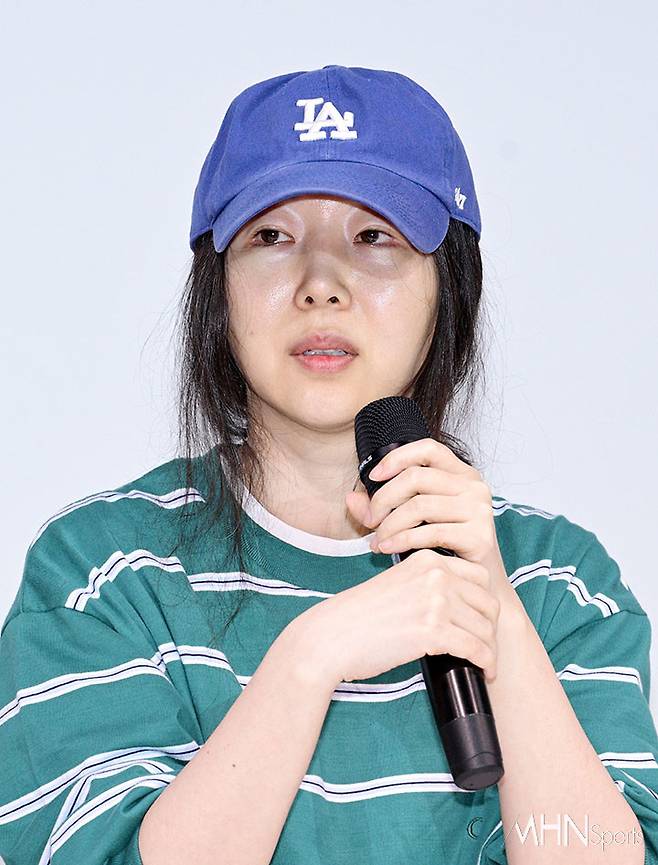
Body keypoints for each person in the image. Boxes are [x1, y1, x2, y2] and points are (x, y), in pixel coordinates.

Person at [1, 64, 657, 865]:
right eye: (272, 237)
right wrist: (309, 659)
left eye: (374, 237)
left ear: (449, 287)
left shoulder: (560, 583)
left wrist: (497, 616)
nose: (320, 285)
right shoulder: (101, 574)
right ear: (218, 290)